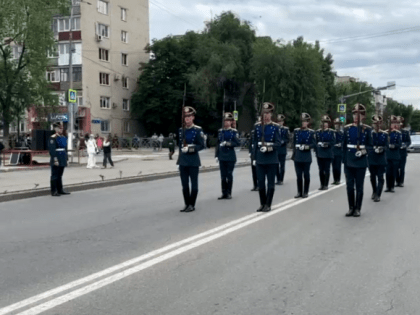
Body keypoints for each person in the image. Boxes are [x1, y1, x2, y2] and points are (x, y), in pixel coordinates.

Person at [343, 103, 372, 217]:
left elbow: (370, 146)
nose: (356, 117)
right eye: (355, 114)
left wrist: (363, 152)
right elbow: (344, 145)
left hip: (361, 161)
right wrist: (344, 160)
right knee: (350, 186)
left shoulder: (367, 129)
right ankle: (351, 207)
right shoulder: (347, 128)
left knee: (359, 186)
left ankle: (357, 208)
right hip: (349, 160)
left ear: (363, 116)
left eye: (359, 115)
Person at [252, 102, 281, 212]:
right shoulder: (257, 126)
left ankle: (268, 204)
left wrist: (269, 148)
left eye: (268, 113)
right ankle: (262, 203)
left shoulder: (275, 127)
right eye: (264, 113)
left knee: (270, 183)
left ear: (271, 114)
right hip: (260, 158)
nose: (266, 115)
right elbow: (255, 143)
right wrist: (254, 158)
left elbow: (278, 143)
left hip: (271, 158)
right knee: (260, 182)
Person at [177, 106, 205, 213]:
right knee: (184, 185)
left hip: (193, 161)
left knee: (194, 185)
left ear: (193, 117)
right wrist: (178, 161)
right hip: (183, 161)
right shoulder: (181, 130)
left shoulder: (198, 130)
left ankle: (192, 204)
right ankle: (186, 204)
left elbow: (202, 145)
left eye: (189, 116)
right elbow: (180, 147)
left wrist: (190, 148)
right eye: (185, 117)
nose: (187, 119)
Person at [215, 112, 240, 200]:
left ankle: (229, 192)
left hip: (230, 156)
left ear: (231, 122)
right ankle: (223, 193)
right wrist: (216, 155)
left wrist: (228, 143)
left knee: (229, 175)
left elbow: (237, 143)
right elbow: (217, 144)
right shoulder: (220, 131)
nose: (226, 122)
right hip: (222, 156)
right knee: (223, 176)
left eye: (228, 121)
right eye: (225, 120)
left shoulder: (234, 132)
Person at [293, 113, 316, 199]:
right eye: (302, 121)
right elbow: (294, 143)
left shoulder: (311, 132)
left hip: (306, 156)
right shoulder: (296, 131)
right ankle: (299, 191)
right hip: (298, 155)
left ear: (308, 123)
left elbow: (314, 144)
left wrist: (307, 147)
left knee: (306, 175)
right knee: (298, 175)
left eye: (305, 122)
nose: (304, 123)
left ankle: (305, 191)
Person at [368, 115, 388, 202]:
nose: (376, 126)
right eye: (375, 124)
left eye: (378, 124)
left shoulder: (384, 134)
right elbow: (367, 145)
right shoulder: (369, 134)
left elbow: (387, 146)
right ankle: (374, 191)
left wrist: (381, 149)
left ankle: (378, 195)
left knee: (380, 177)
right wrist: (372, 149)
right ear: (372, 124)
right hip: (372, 158)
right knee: (372, 177)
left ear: (381, 124)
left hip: (380, 158)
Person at [48, 122, 70, 196]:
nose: (61, 130)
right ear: (56, 129)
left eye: (61, 128)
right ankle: (54, 191)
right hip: (57, 157)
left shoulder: (63, 137)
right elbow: (52, 150)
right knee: (54, 175)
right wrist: (55, 159)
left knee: (60, 175)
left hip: (62, 157)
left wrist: (67, 158)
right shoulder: (53, 137)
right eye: (59, 128)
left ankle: (60, 189)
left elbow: (65, 149)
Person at [315, 115, 335, 190]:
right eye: (323, 122)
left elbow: (333, 142)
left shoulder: (331, 132)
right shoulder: (318, 132)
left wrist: (326, 144)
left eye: (326, 123)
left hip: (328, 153)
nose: (325, 124)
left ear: (328, 124)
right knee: (320, 169)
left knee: (326, 169)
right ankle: (321, 184)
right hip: (320, 153)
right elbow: (315, 142)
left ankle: (326, 184)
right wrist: (318, 145)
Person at [384, 115, 402, 193]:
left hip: (395, 155)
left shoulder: (397, 134)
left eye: (394, 124)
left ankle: (392, 187)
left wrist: (393, 146)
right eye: (391, 124)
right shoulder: (386, 133)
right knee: (388, 172)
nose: (392, 125)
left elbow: (399, 144)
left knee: (393, 172)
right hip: (388, 155)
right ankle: (388, 186)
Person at [396, 116, 411, 187]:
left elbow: (409, 141)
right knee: (395, 168)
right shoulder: (394, 132)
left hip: (403, 153)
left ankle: (401, 182)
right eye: (398, 123)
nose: (399, 125)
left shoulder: (405, 132)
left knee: (402, 168)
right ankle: (397, 181)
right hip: (396, 152)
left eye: (400, 123)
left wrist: (405, 145)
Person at [276, 114, 290, 185]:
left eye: (281, 121)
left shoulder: (285, 129)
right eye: (278, 121)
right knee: (276, 165)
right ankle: (277, 178)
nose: (279, 123)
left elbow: (288, 139)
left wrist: (283, 141)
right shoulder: (275, 128)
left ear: (283, 122)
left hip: (282, 150)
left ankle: (281, 179)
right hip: (276, 150)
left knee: (282, 165)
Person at [332, 118, 344, 185]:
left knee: (337, 167)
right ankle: (334, 179)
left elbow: (343, 141)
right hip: (333, 151)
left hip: (339, 152)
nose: (336, 125)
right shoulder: (333, 132)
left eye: (337, 124)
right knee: (333, 167)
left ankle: (338, 179)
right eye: (335, 124)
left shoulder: (341, 133)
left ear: (339, 125)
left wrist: (340, 144)